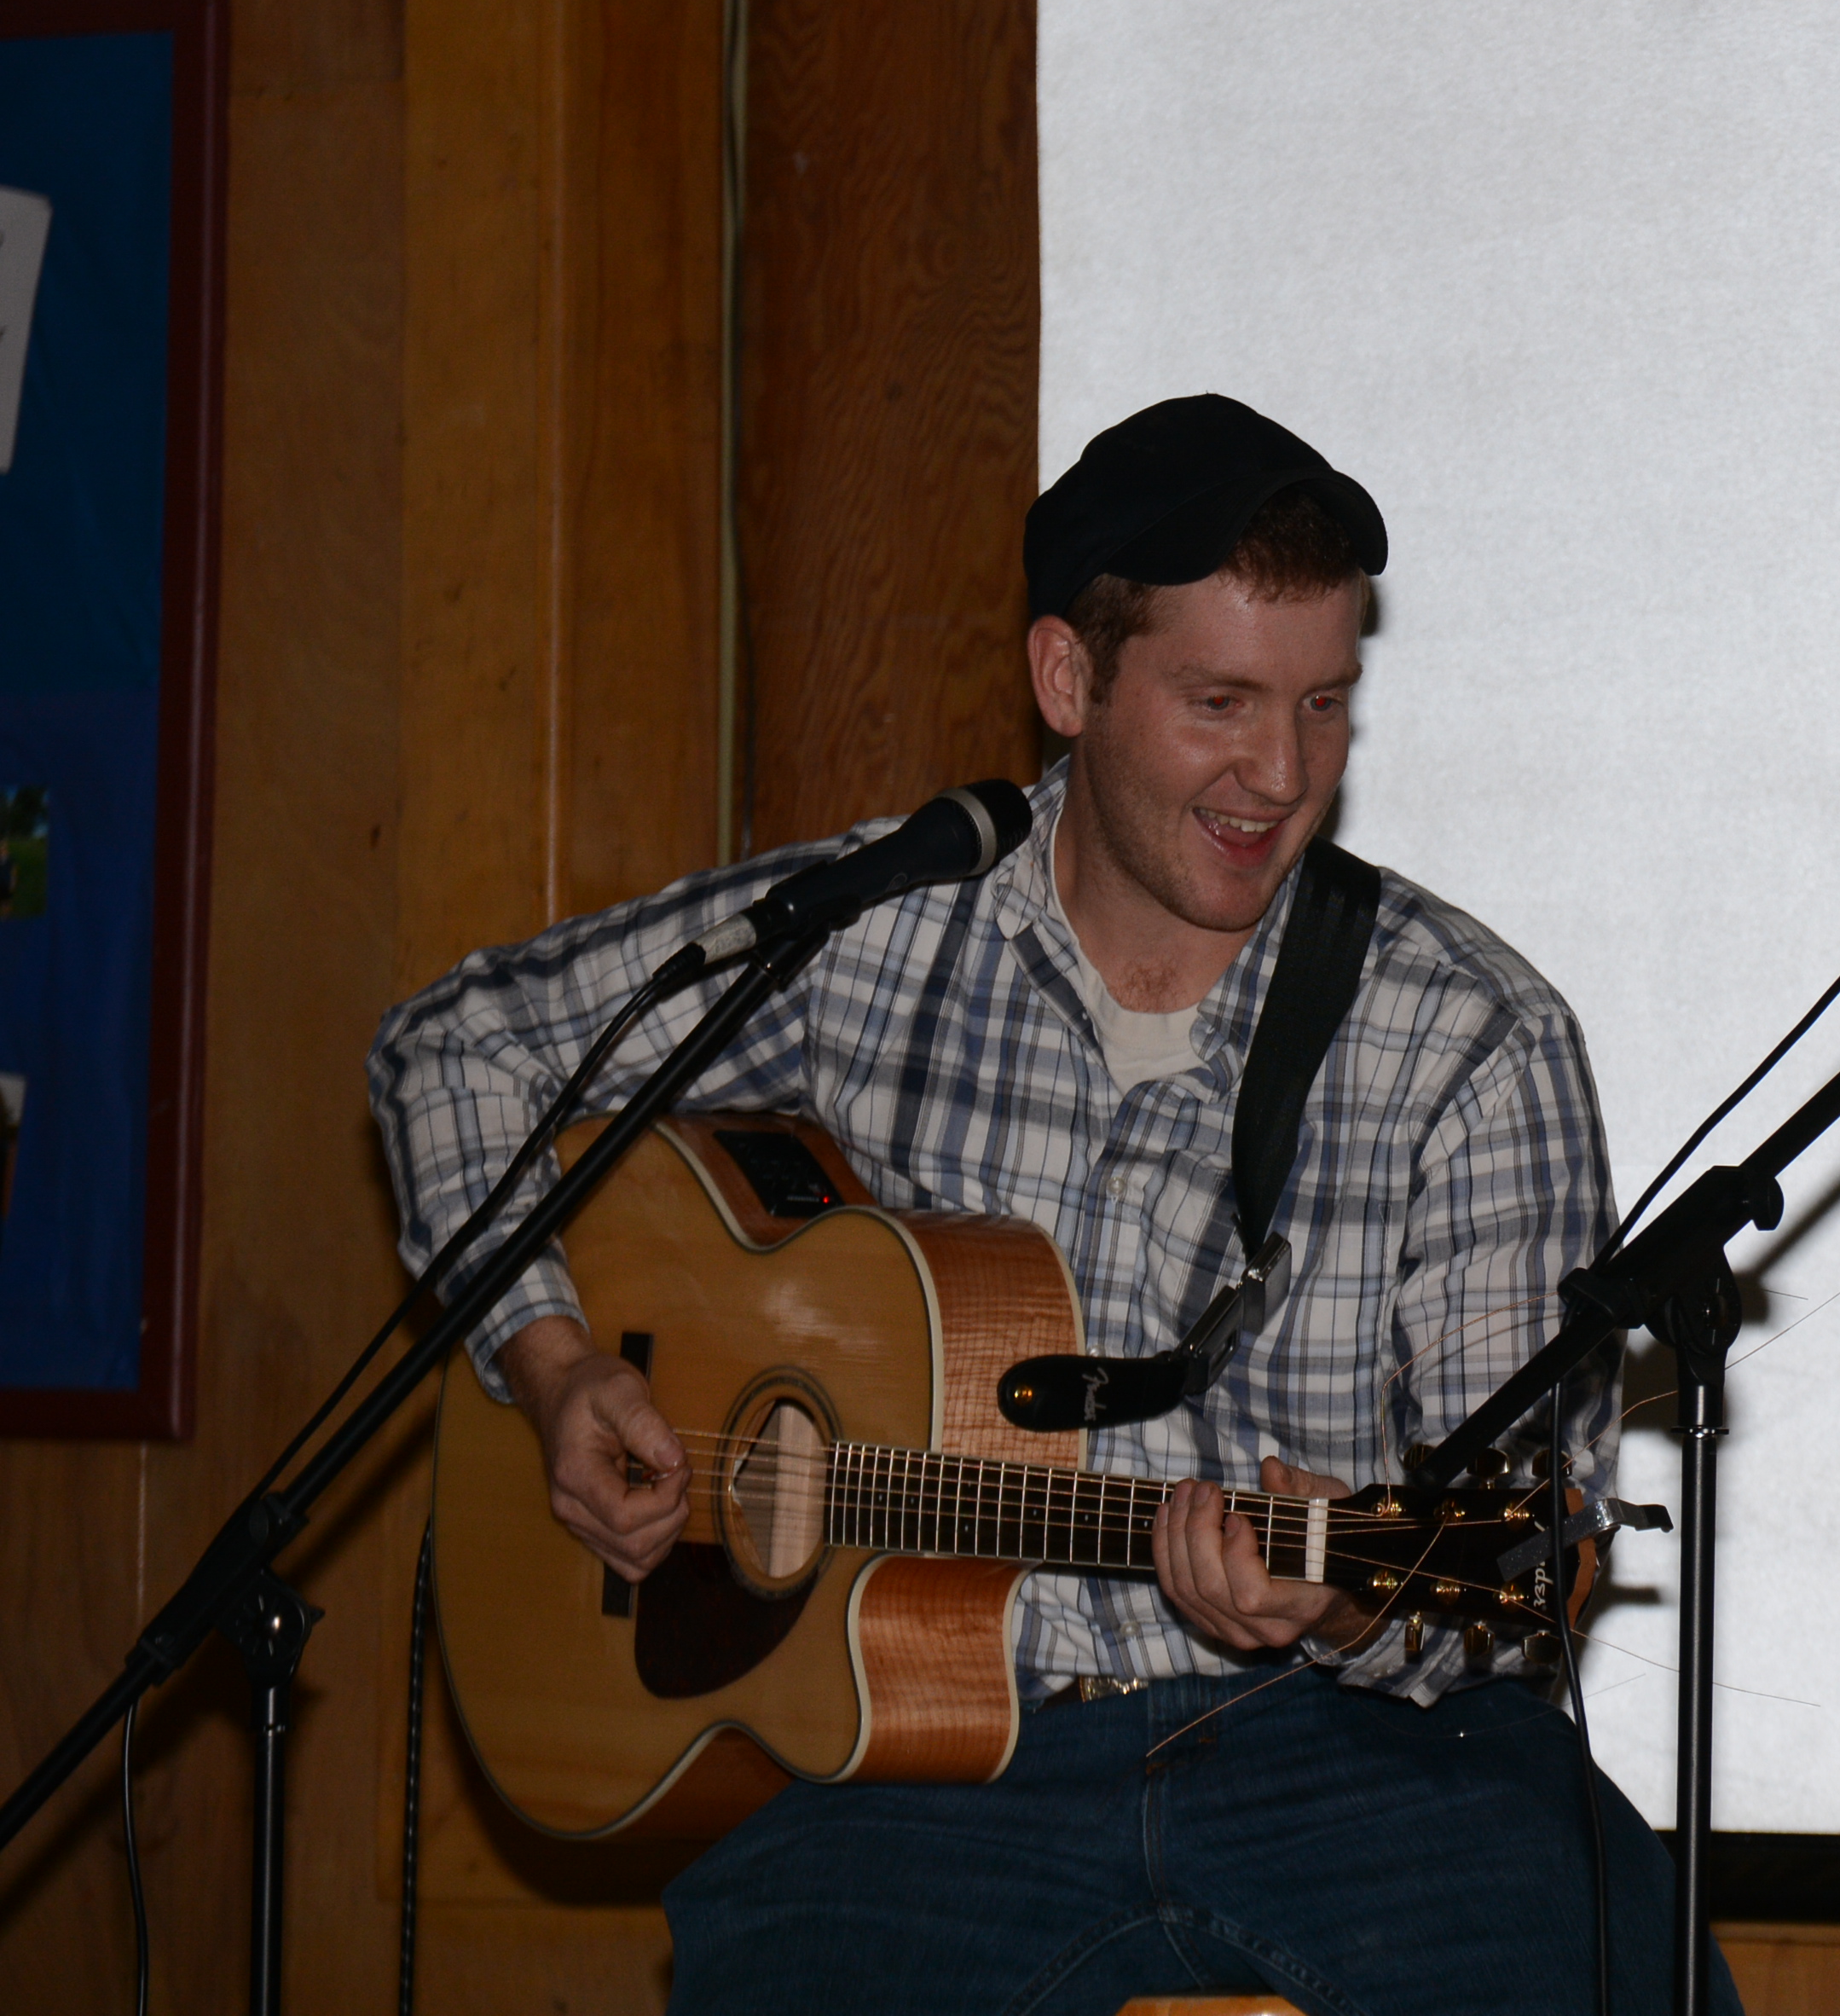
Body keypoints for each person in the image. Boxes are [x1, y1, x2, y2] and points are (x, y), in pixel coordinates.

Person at [373, 394, 1732, 2016]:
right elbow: (454, 1049)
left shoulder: (1472, 1037)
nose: (1280, 775)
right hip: (920, 1779)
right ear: (1067, 680)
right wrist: (554, 1366)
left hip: (1350, 1758)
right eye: (1219, 702)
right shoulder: (874, 933)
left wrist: (1354, 1590)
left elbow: (1531, 1540)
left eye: (1323, 706)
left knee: (1608, 1965)